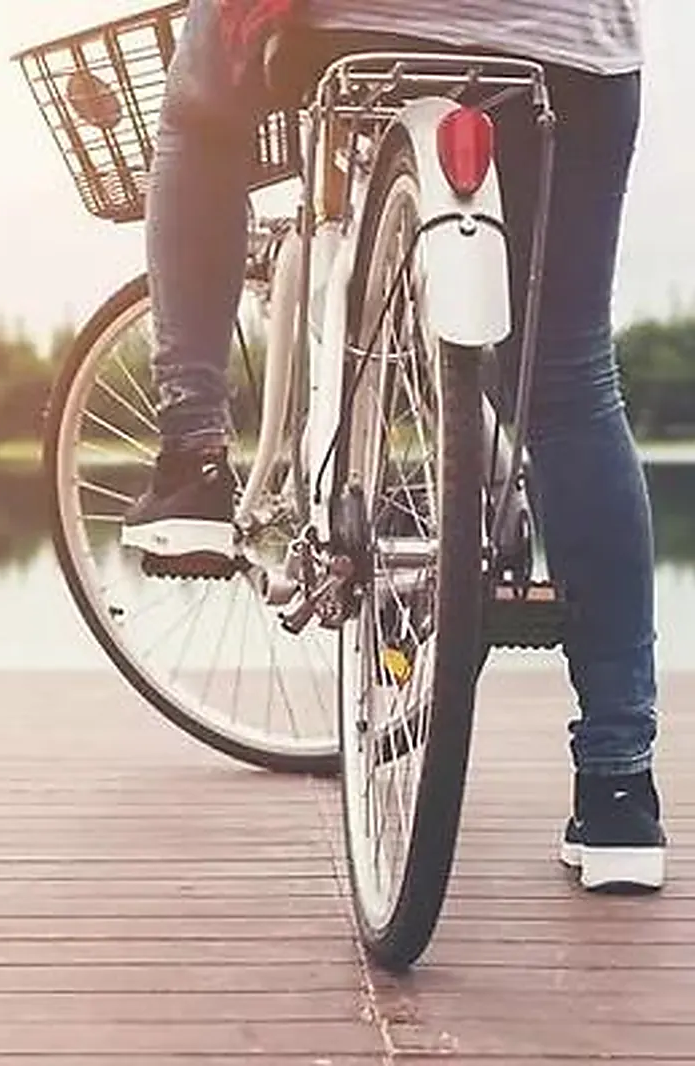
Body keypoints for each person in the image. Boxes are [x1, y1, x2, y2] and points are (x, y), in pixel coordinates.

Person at [120, 0, 663, 892]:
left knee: (193, 114)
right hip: (568, 49)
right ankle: (619, 791)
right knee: (567, 386)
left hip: (363, 28)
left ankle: (191, 457)